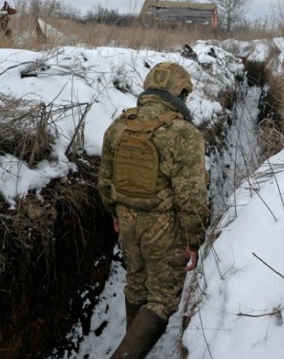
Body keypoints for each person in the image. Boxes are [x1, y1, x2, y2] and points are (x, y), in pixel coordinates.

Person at [99, 61, 210, 359]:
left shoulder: (119, 125)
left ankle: (131, 345)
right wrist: (193, 239)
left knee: (136, 284)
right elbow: (191, 196)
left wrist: (115, 215)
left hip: (127, 221)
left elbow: (105, 180)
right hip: (165, 228)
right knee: (162, 299)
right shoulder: (183, 133)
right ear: (180, 92)